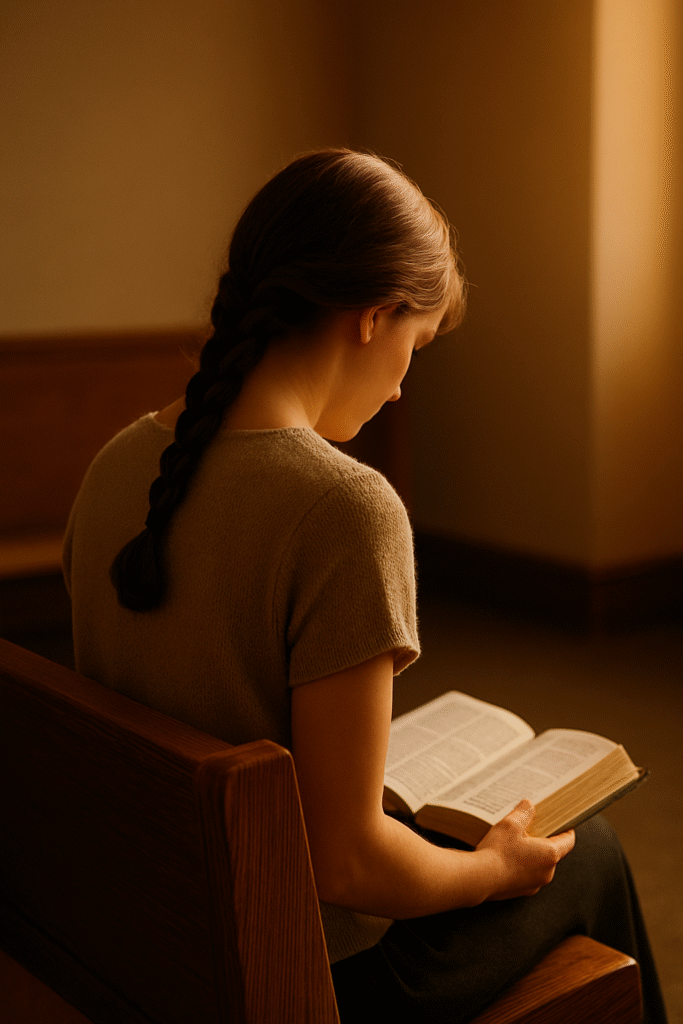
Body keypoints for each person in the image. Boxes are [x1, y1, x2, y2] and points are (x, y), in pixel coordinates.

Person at [63, 148, 667, 1023]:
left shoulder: (117, 464)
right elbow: (345, 864)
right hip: (296, 977)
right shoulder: (344, 508)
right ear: (372, 316)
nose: (399, 385)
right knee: (593, 850)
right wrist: (491, 871)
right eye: (415, 344)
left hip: (151, 934)